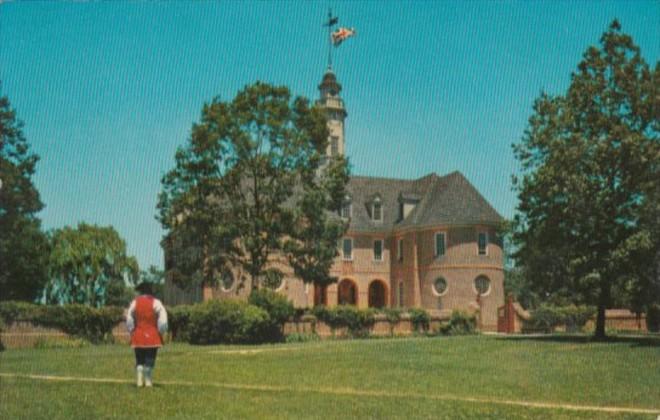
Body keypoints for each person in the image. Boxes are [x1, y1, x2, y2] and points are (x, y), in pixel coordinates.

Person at [126, 282, 168, 387]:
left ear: (140, 291)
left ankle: (139, 380)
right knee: (150, 357)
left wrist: (131, 330)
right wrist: (161, 331)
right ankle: (148, 380)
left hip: (138, 334)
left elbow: (129, 317)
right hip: (152, 335)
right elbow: (163, 319)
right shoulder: (156, 302)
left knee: (139, 358)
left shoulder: (134, 302)